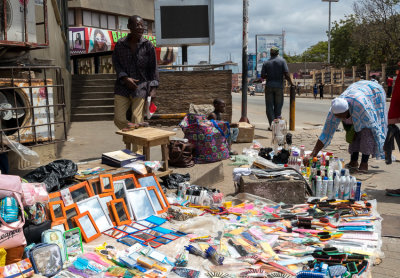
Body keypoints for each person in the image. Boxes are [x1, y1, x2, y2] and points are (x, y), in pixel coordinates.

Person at [307, 80, 387, 172]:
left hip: (373, 92)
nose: (341, 119)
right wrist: (313, 154)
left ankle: (364, 163)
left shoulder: (361, 106)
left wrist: (382, 143)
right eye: (338, 117)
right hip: (356, 91)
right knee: (353, 134)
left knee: (366, 133)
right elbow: (326, 132)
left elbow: (374, 126)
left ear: (347, 110)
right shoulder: (334, 110)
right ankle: (354, 161)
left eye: (342, 116)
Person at [112, 15, 159, 153]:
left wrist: (153, 88)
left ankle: (137, 153)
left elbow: (153, 69)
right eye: (137, 25)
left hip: (141, 86)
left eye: (142, 25)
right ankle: (138, 129)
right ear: (129, 27)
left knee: (136, 117)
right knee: (119, 119)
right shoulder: (120, 45)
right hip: (122, 86)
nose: (140, 27)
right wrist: (125, 78)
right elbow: (117, 64)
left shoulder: (148, 45)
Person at [260, 46, 294, 130]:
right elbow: (286, 74)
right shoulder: (282, 61)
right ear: (278, 53)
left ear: (270, 53)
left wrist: (270, 75)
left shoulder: (266, 63)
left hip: (269, 86)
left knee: (269, 106)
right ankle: (277, 125)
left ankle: (272, 126)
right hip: (279, 86)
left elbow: (263, 76)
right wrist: (291, 83)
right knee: (278, 106)